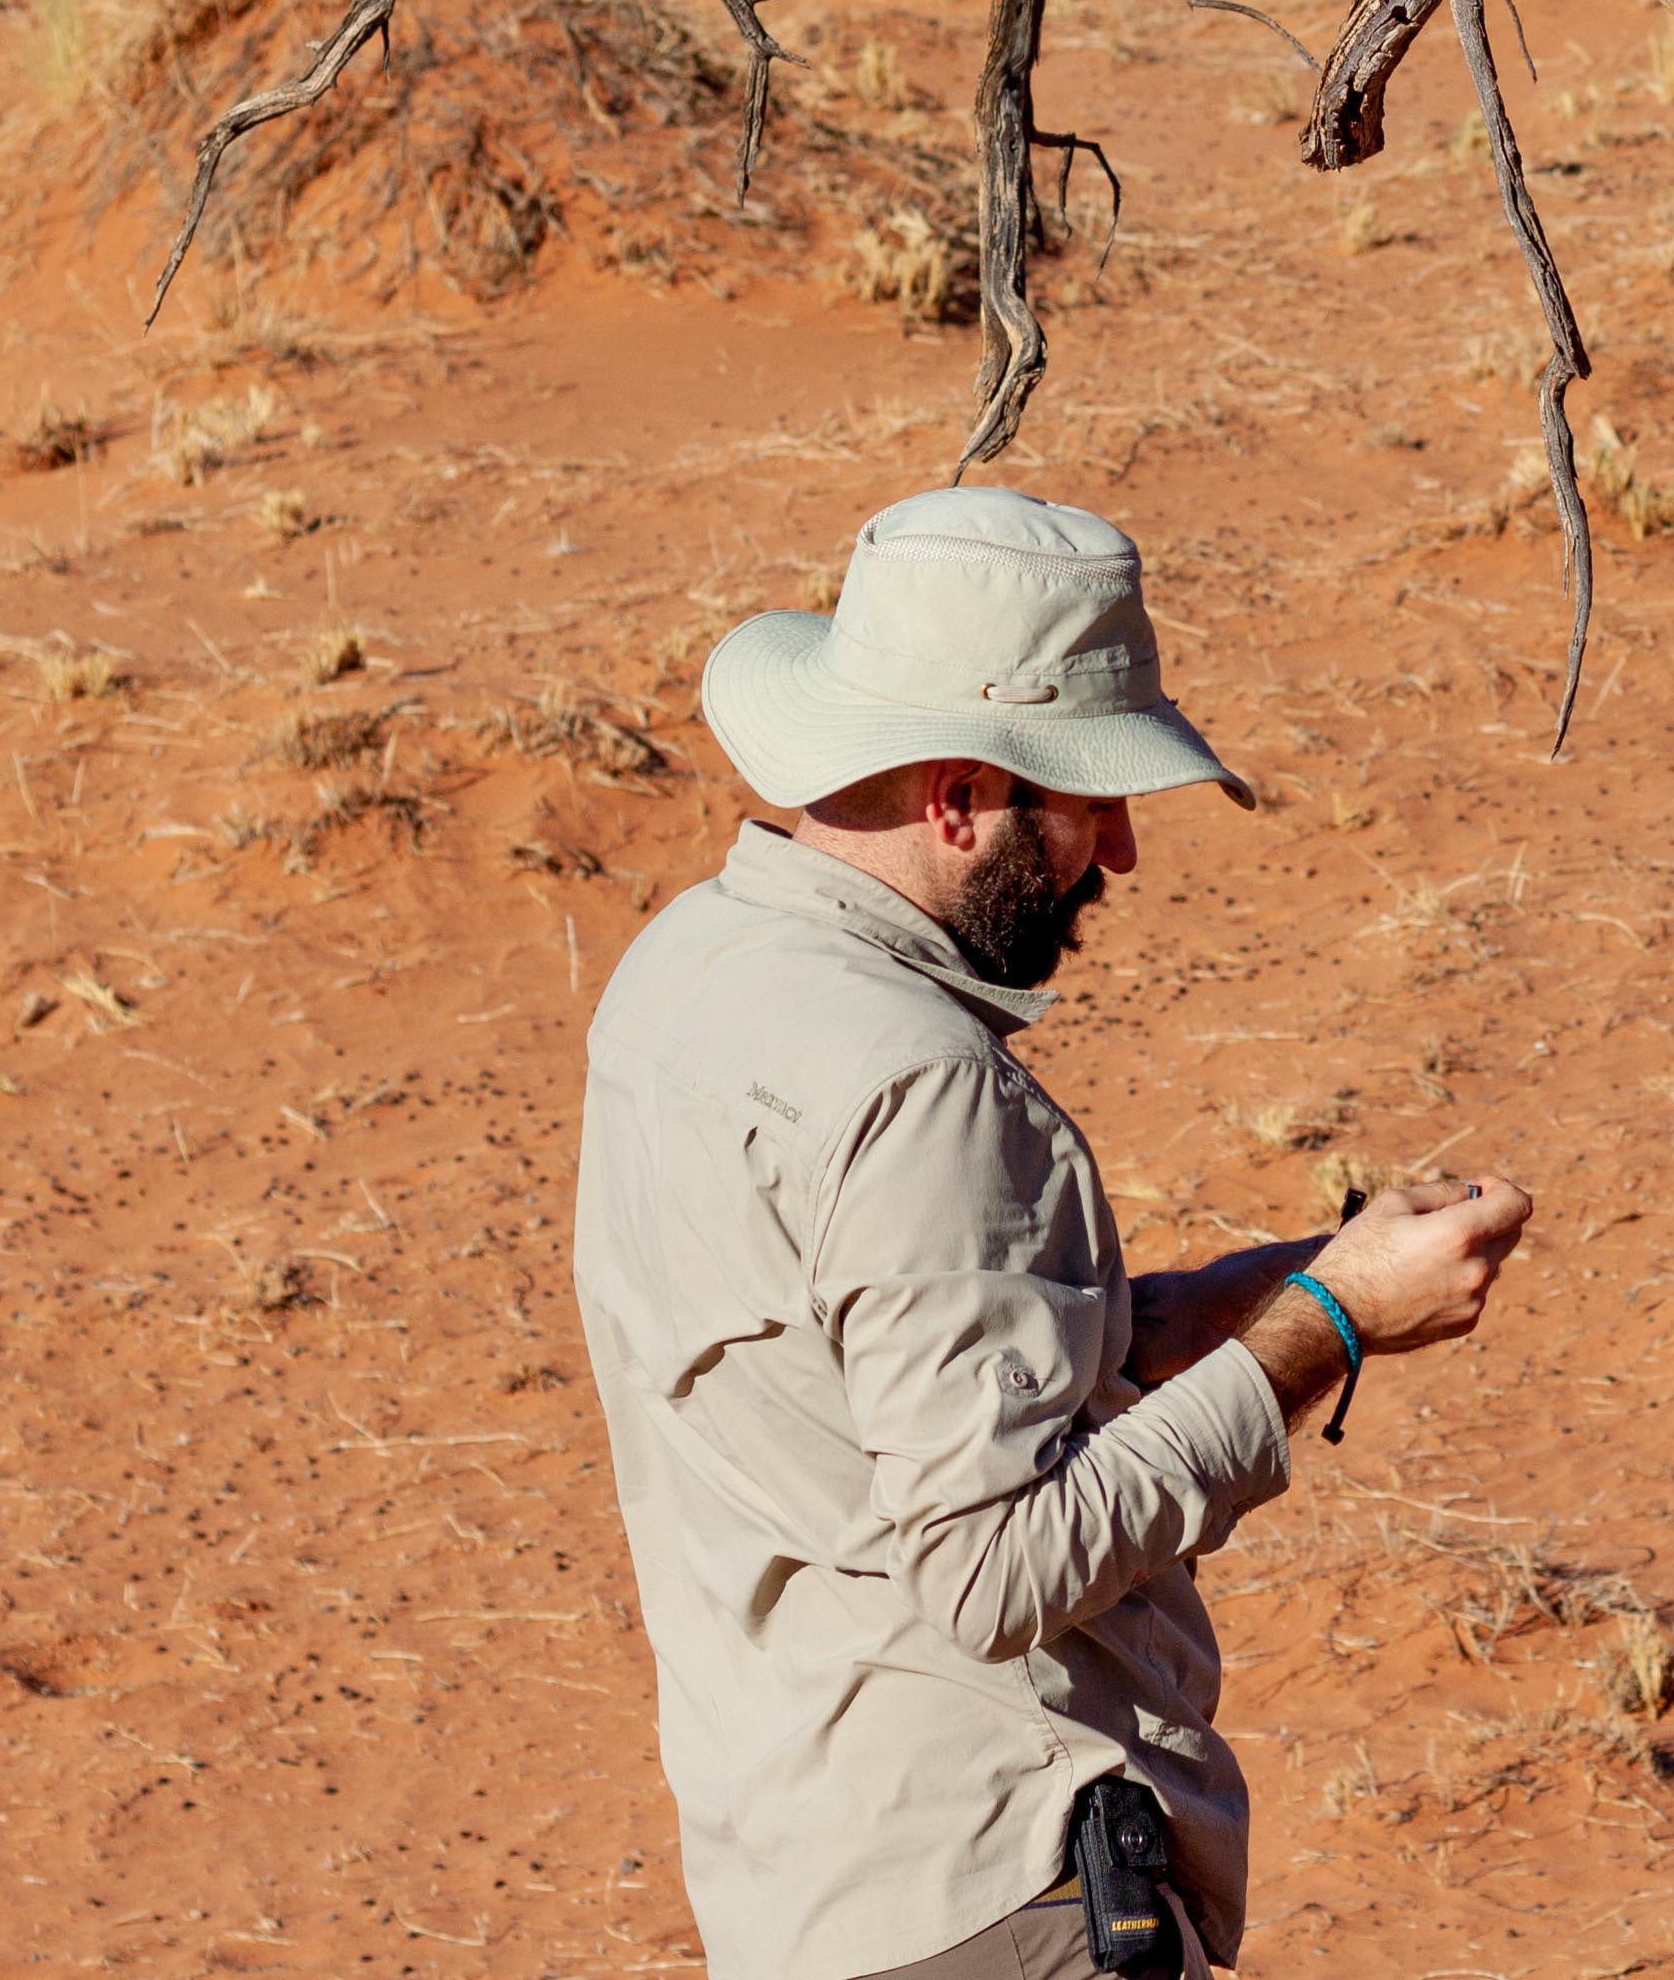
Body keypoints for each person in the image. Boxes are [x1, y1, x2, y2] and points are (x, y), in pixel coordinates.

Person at [576, 487, 1532, 1979]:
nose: (1123, 856)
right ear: (959, 797)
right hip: (995, 1887)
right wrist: (1324, 1332)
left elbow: (869, 1364)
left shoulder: (684, 975)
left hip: (803, 1883)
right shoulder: (924, 1088)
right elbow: (996, 1566)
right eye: (1089, 799)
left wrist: (1203, 1308)